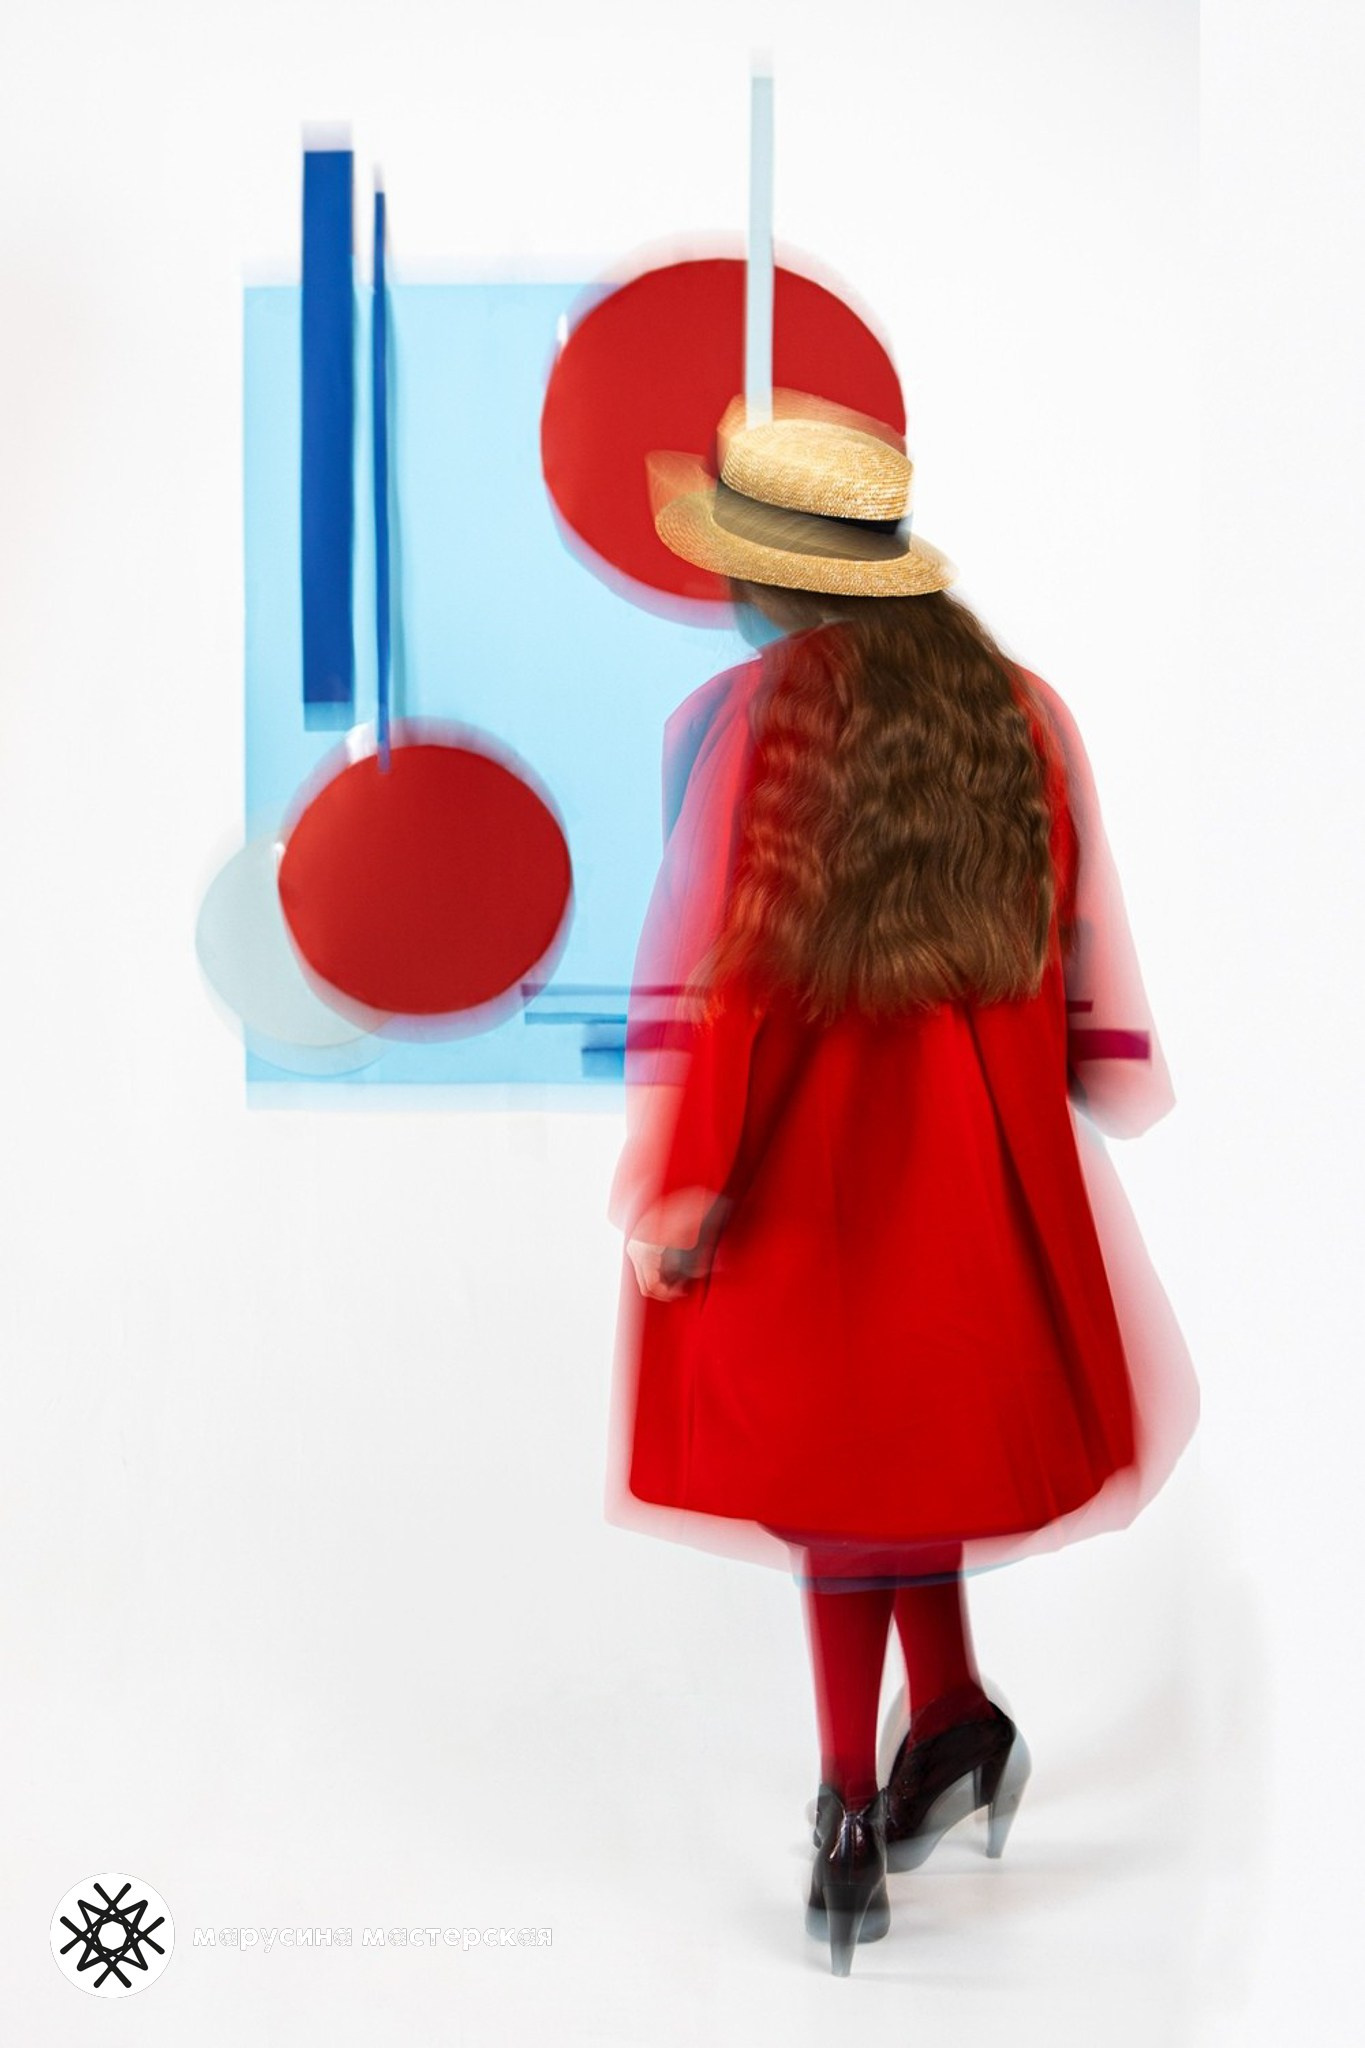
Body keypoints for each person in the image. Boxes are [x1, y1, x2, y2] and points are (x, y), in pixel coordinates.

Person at [605, 389, 1196, 1976]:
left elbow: (734, 976)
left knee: (836, 1476)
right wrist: (1083, 1074)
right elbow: (1075, 931)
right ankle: (951, 1721)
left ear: (765, 573)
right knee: (896, 1451)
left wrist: (690, 1176)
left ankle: (845, 1811)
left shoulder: (740, 722)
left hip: (811, 1156)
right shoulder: (1015, 704)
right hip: (974, 1149)